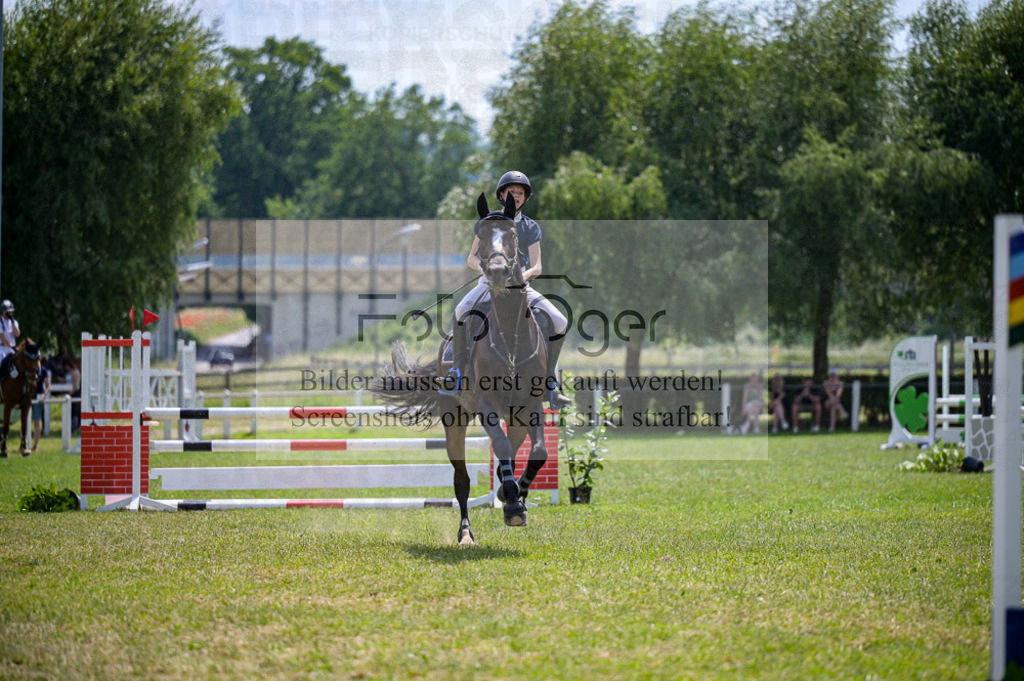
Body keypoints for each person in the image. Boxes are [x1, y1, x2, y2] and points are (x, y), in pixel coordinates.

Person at [449, 171, 571, 408]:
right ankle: (458, 371)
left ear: (525, 198)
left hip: (520, 284)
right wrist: (488, 271)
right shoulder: (487, 223)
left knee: (560, 321)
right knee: (461, 311)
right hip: (488, 282)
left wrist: (516, 279)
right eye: (511, 192)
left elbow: (537, 266)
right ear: (501, 194)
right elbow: (471, 259)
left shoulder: (530, 227)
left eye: (520, 193)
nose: (515, 196)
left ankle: (551, 383)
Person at [31, 359, 51, 453]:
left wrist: (44, 394)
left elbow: (48, 386)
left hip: (38, 398)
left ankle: (35, 445)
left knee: (36, 422)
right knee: (24, 421)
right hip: (28, 398)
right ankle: (23, 444)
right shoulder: (28, 368)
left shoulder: (43, 370)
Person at [0, 300, 21, 381]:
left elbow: (17, 334)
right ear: (3, 312)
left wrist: (12, 322)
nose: (10, 313)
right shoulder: (0, 323)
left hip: (12, 349)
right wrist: (13, 347)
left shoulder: (14, 322)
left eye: (11, 311)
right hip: (2, 350)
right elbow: (3, 339)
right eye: (8, 312)